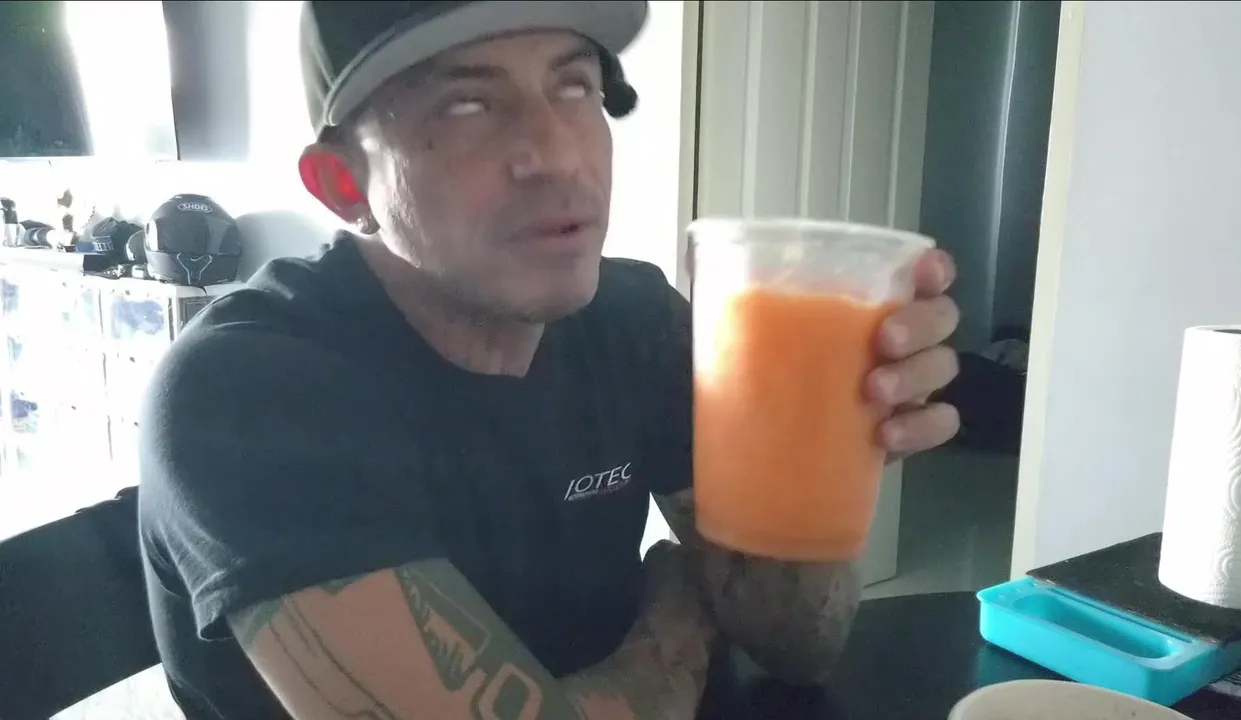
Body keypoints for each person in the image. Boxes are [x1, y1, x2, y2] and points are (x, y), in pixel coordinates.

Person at [137, 2, 962, 719]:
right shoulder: (248, 393)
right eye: (468, 104)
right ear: (343, 185)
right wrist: (675, 623)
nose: (560, 154)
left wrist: (818, 445)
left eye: (575, 87)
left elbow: (801, 648)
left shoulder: (636, 322)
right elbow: (707, 621)